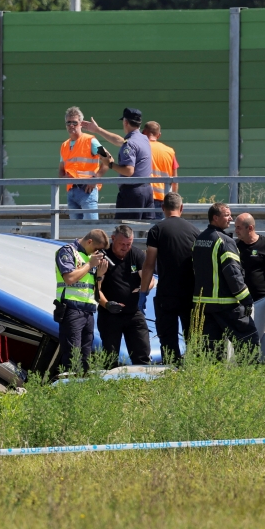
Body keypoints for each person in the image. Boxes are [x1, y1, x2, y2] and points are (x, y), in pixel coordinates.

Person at [192, 203, 259, 348]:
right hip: (225, 304)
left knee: (212, 349)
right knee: (249, 343)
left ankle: (214, 372)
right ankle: (249, 371)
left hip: (203, 304)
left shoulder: (199, 239)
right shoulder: (224, 241)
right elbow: (233, 274)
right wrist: (246, 299)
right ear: (215, 218)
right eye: (227, 215)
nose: (231, 218)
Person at [141, 192, 198, 362]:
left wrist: (143, 293)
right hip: (190, 293)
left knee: (168, 340)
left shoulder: (156, 230)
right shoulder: (195, 231)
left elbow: (149, 264)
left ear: (162, 208)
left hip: (166, 294)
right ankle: (193, 369)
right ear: (181, 208)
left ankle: (171, 371)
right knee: (193, 338)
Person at [82, 108, 154, 220]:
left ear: (125, 122)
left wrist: (110, 164)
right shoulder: (143, 139)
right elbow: (120, 141)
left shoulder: (130, 144)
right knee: (145, 231)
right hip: (147, 190)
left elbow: (129, 171)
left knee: (125, 230)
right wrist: (98, 130)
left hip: (132, 193)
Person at [96, 225, 152, 365]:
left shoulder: (137, 254)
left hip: (133, 312)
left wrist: (142, 288)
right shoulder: (103, 256)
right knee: (110, 359)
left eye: (129, 244)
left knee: (142, 354)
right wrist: (107, 305)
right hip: (110, 314)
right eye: (122, 244)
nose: (125, 247)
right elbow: (96, 289)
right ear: (113, 239)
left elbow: (150, 279)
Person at [55, 229, 109, 372]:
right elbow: (70, 278)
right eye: (96, 249)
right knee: (73, 355)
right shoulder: (67, 251)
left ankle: (82, 387)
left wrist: (99, 276)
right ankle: (70, 388)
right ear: (89, 241)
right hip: (71, 309)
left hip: (88, 312)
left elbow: (95, 290)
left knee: (86, 357)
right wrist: (90, 265)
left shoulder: (90, 258)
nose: (97, 253)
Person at [59, 106, 108, 220]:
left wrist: (96, 178)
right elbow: (61, 170)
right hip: (71, 192)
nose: (71, 125)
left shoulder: (91, 141)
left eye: (75, 123)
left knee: (91, 228)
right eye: (68, 123)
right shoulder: (64, 146)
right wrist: (64, 177)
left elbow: (107, 159)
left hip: (87, 191)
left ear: (81, 124)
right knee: (76, 231)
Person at [234, 213, 265, 301]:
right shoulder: (235, 245)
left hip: (263, 299)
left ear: (250, 228)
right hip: (240, 299)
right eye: (235, 227)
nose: (236, 231)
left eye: (239, 227)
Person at [143, 121, 179, 220]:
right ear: (159, 135)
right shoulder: (169, 151)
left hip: (144, 196)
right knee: (160, 232)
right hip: (163, 198)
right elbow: (175, 180)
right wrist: (174, 201)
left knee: (141, 231)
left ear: (143, 132)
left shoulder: (141, 147)